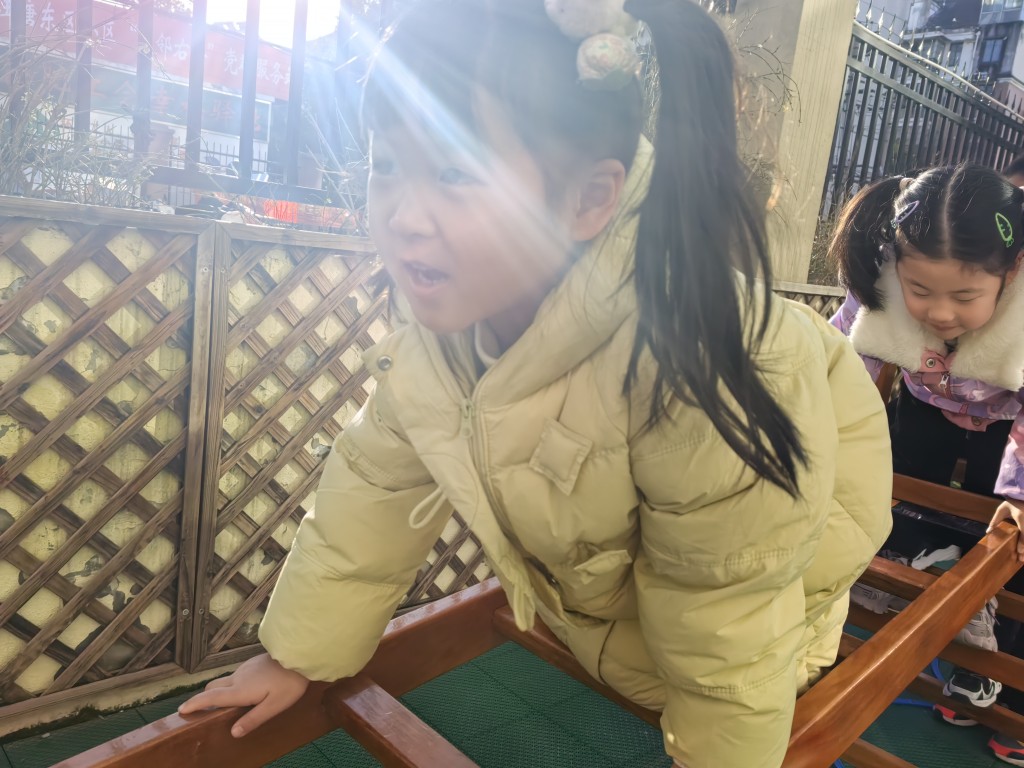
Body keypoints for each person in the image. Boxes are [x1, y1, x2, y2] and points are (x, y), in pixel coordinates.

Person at [179, 1, 892, 765]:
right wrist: (299, 654)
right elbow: (375, 485)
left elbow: (731, 605)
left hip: (778, 617)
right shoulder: (446, 328)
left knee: (715, 623)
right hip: (612, 613)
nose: (404, 216)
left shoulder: (701, 359)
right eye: (386, 166)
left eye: (455, 172)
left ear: (588, 199)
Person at [829, 165, 1024, 765]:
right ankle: (948, 643)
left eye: (964, 297)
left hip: (1006, 422)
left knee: (1008, 552)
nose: (939, 313)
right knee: (914, 525)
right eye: (921, 290)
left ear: (1011, 273)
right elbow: (836, 363)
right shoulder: (882, 281)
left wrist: (1017, 499)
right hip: (924, 407)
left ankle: (1002, 687)